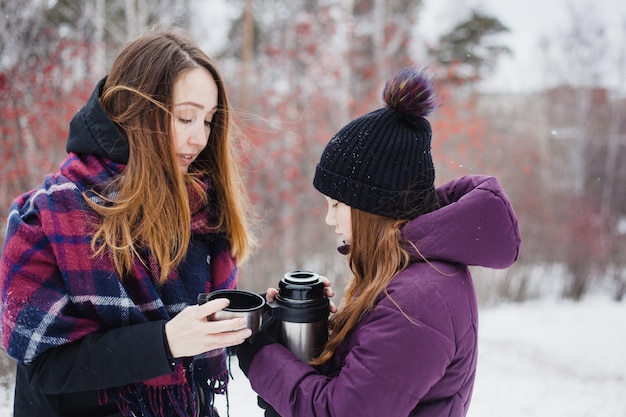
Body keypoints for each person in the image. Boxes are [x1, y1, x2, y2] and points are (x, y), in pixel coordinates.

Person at [0, 28, 258, 417]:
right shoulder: (49, 219)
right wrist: (164, 342)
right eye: (185, 117)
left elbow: (202, 337)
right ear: (136, 112)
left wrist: (265, 314)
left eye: (207, 121)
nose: (199, 138)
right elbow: (45, 366)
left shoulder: (201, 210)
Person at [236, 67, 522, 417]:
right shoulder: (409, 273)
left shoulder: (419, 300)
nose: (329, 219)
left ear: (374, 207)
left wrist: (262, 357)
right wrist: (310, 333)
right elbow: (369, 381)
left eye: (338, 205)